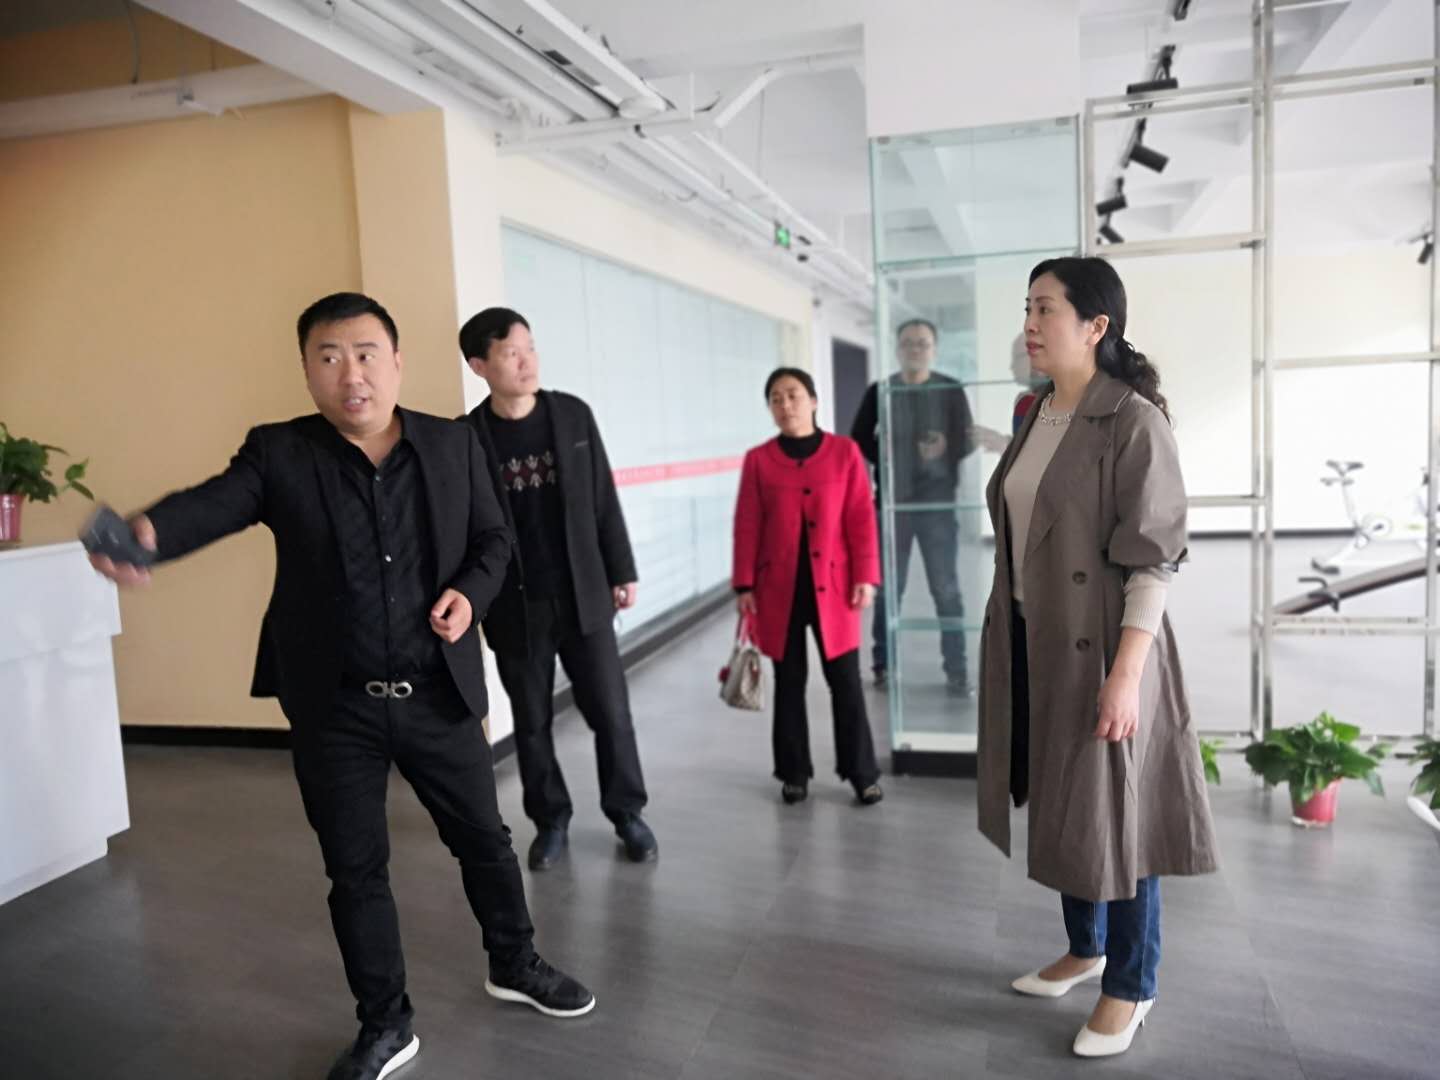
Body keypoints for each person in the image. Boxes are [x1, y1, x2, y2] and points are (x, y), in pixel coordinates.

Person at [88, 293, 595, 1080]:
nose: (350, 374)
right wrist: (146, 536)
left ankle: (515, 962)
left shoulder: (454, 444)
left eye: (365, 354)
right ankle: (385, 1023)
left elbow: (495, 539)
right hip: (336, 705)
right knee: (355, 870)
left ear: (397, 363)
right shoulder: (280, 452)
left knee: (485, 842)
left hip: (436, 692)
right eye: (329, 357)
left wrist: (470, 593)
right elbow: (216, 503)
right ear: (307, 370)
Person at [976, 258, 1218, 1059]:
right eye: (1028, 307)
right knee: (1062, 799)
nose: (1030, 324)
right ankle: (1086, 948)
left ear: (1096, 325)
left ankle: (1132, 982)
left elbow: (1155, 560)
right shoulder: (1037, 411)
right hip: (1032, 638)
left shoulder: (1133, 419)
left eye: (1045, 308)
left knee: (1121, 814)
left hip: (1107, 645)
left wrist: (1126, 674)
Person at [459, 307, 656, 872]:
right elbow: (462, 528)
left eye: (530, 348)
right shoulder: (467, 438)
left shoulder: (572, 415)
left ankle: (627, 812)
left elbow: (603, 500)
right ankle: (550, 821)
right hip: (515, 605)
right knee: (532, 721)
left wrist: (622, 571)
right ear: (479, 365)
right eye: (511, 353)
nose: (527, 362)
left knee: (611, 713)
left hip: (583, 594)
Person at [733, 367, 883, 806]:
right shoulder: (759, 460)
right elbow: (747, 524)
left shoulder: (844, 453)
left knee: (846, 682)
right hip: (777, 588)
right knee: (789, 682)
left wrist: (866, 576)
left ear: (814, 401)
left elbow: (860, 518)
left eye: (793, 395)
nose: (785, 405)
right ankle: (793, 772)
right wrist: (744, 585)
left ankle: (862, 772)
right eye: (776, 398)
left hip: (834, 588)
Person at [849, 318, 976, 695]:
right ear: (897, 349)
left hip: (937, 504)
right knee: (889, 590)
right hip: (893, 505)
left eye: (923, 343)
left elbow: (967, 439)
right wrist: (885, 453)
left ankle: (957, 669)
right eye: (908, 343)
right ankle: (883, 666)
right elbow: (858, 438)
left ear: (934, 349)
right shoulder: (880, 391)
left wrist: (945, 448)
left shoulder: (950, 389)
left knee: (946, 590)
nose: (915, 349)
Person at [971, 333, 1046, 453]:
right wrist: (1001, 442)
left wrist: (1003, 444)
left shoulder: (1059, 399)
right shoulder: (1024, 400)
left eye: (1017, 358)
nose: (1012, 366)